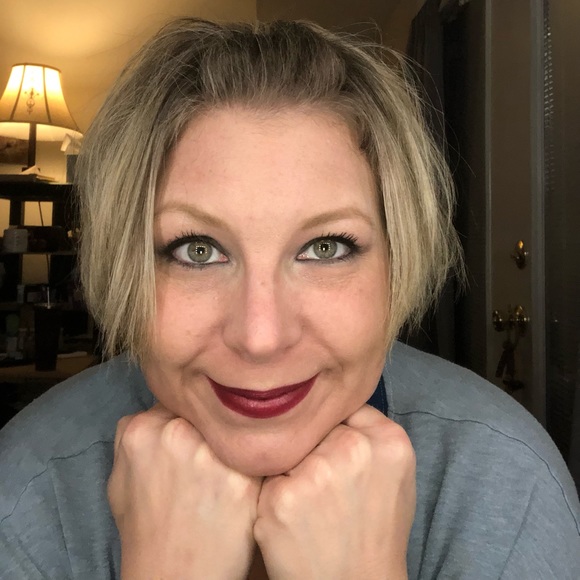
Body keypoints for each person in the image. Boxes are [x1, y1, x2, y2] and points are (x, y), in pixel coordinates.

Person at [1, 17, 579, 579]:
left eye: (326, 248)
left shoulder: (505, 482)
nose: (261, 338)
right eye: (197, 250)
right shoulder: (25, 494)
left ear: (398, 262)